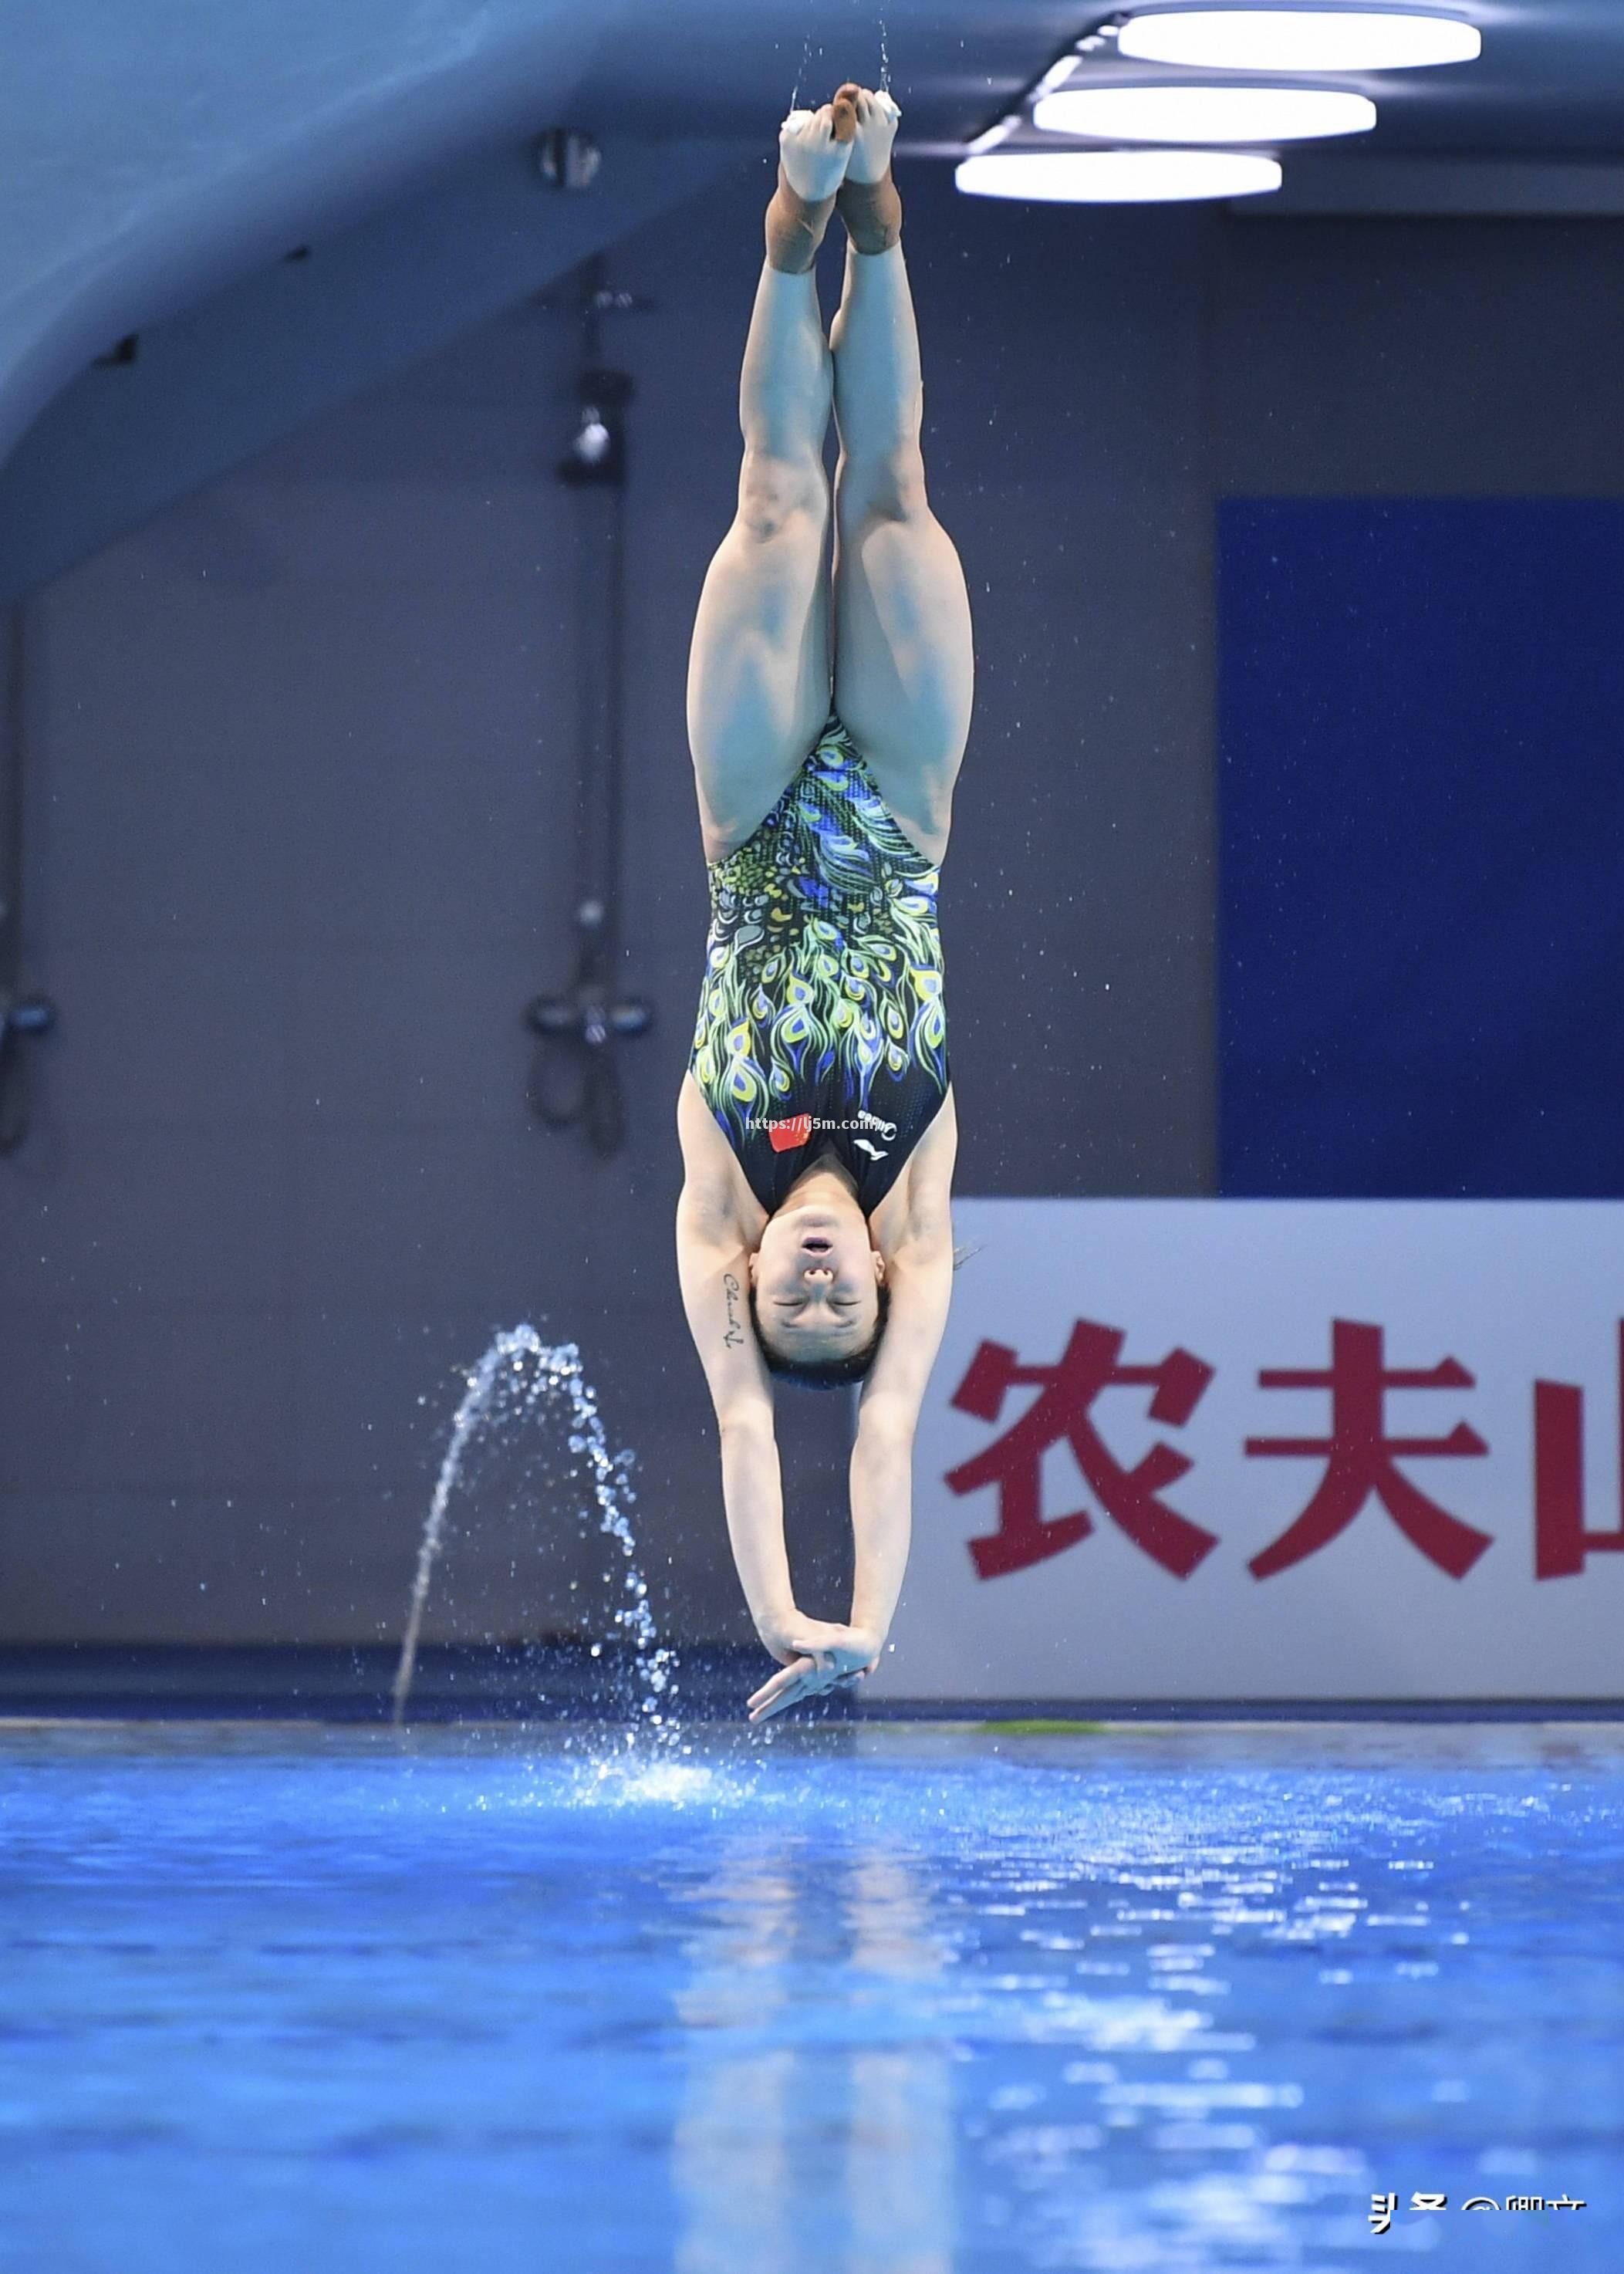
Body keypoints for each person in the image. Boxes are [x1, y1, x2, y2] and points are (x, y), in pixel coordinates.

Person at [676, 83, 974, 1722]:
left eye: (782, 1305)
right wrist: (870, 1626)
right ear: (869, 1280)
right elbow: (882, 1429)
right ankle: (881, 217)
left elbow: (746, 1423)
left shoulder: (717, 1201)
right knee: (897, 495)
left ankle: (794, 228)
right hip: (903, 815)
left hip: (753, 813)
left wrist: (788, 1613)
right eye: (830, 1303)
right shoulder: (917, 1210)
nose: (807, 1285)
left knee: (782, 503)